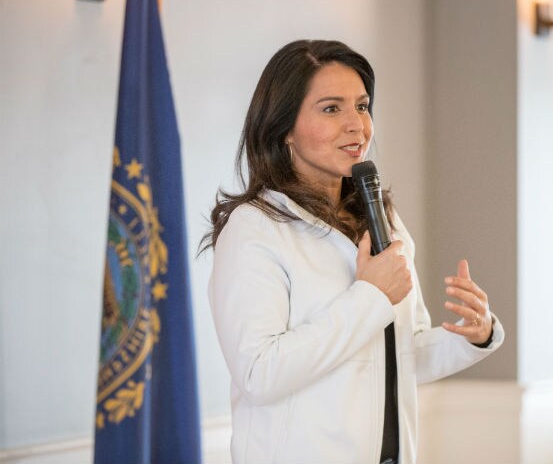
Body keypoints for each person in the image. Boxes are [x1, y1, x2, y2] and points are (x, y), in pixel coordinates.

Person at [202, 39, 504, 464]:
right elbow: (259, 373)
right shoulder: (254, 228)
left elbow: (399, 355)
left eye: (362, 106)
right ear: (284, 127)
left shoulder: (383, 219)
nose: (356, 125)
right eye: (331, 109)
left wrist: (474, 335)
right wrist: (370, 296)